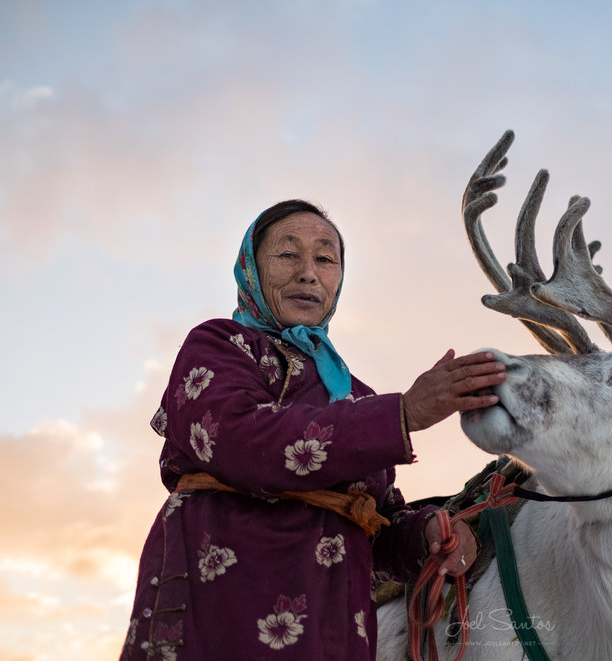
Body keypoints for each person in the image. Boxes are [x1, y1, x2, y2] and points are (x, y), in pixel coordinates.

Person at [120, 199, 505, 660]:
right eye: (288, 255)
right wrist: (402, 414)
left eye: (325, 258)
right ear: (250, 269)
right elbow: (242, 441)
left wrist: (426, 535)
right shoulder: (220, 345)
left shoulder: (354, 394)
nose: (309, 273)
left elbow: (375, 519)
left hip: (334, 627)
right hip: (222, 607)